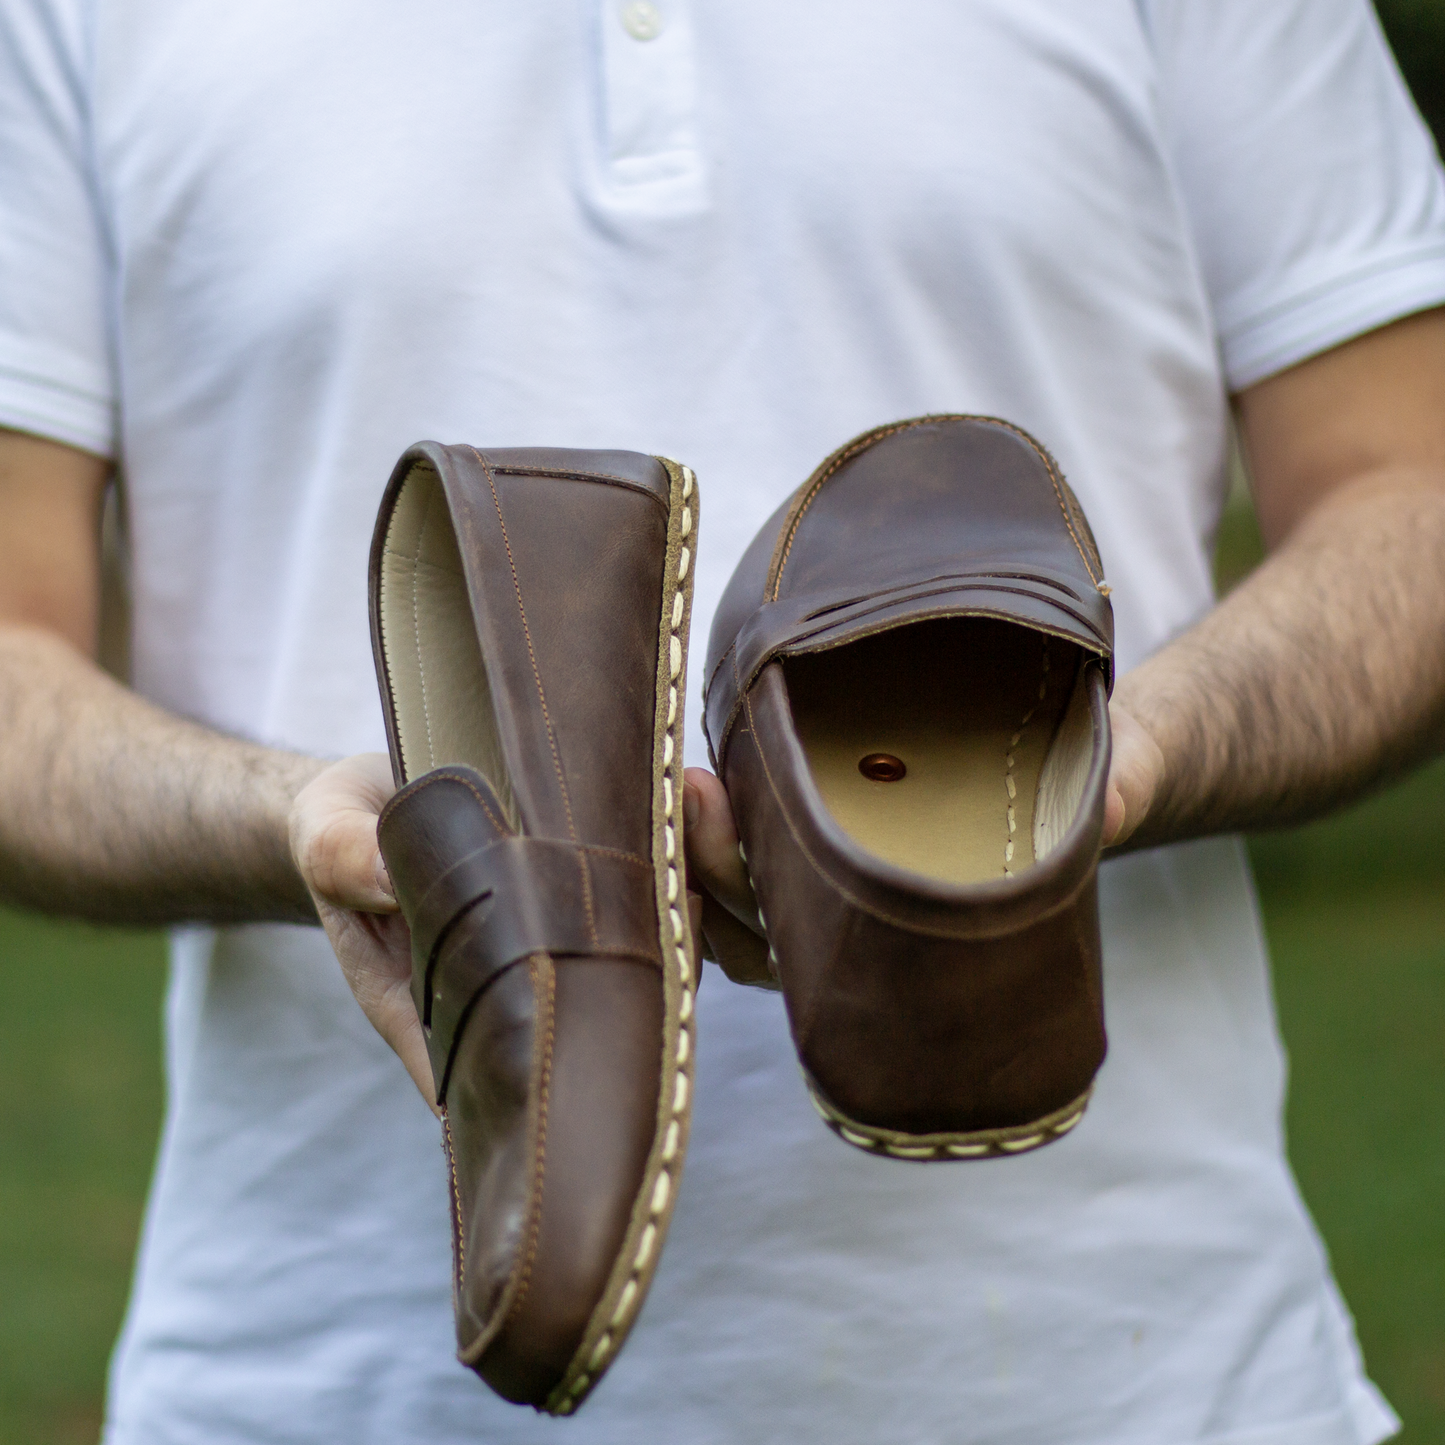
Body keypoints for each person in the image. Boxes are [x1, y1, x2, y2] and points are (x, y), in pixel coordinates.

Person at [2, 0, 1444, 1441]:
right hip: (310, 1389)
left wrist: (1127, 764)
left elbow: (1412, 499)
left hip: (1167, 1389)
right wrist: (308, 826)